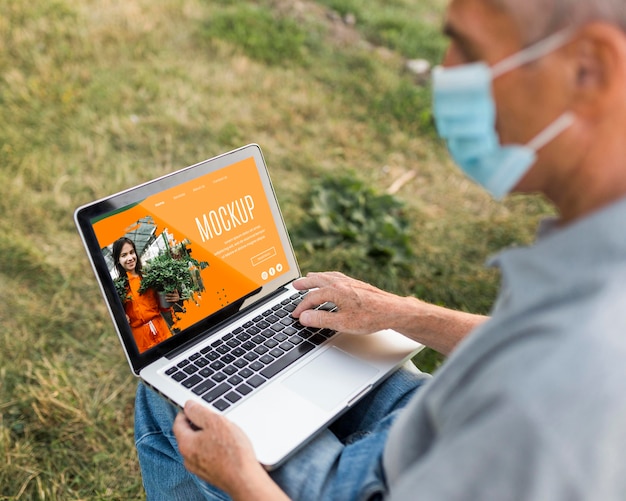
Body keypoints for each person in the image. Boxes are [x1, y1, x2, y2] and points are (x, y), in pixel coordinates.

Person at [133, 0, 626, 499]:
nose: (446, 72)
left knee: (170, 399)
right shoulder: (599, 264)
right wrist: (399, 312)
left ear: (591, 69)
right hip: (440, 422)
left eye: (472, 51)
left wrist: (240, 476)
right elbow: (520, 347)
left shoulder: (582, 362)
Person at [112, 237, 180, 352]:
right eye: (124, 255)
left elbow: (163, 307)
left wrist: (172, 298)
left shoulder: (149, 277)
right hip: (141, 340)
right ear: (118, 260)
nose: (130, 258)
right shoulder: (118, 288)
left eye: (131, 253)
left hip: (162, 329)